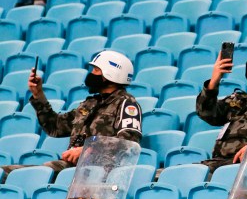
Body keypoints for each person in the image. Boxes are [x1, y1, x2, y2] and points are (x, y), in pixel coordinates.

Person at [2, 50, 143, 177]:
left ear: (110, 74)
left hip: (100, 171)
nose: (91, 74)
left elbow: (128, 144)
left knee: (41, 173)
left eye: (95, 70)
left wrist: (86, 149)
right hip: (73, 167)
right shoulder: (90, 104)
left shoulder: (126, 104)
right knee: (5, 172)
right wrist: (38, 94)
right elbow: (55, 127)